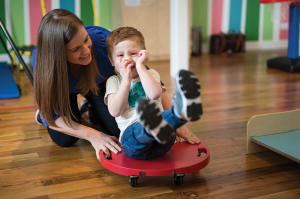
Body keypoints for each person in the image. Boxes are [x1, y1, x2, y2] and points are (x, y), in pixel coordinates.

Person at [33, 9, 200, 162]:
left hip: (97, 81)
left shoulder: (101, 42)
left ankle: (89, 109)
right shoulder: (45, 65)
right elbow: (60, 122)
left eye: (85, 39)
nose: (86, 51)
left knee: (116, 130)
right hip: (64, 89)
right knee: (65, 140)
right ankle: (45, 112)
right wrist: (93, 136)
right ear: (58, 54)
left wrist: (175, 123)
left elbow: (146, 80)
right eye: (75, 49)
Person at [104, 27, 203, 159]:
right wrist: (126, 80)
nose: (128, 59)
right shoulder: (114, 81)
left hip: (162, 144)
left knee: (165, 118)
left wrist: (140, 66)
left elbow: (155, 94)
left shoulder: (151, 74)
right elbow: (115, 111)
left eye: (133, 53)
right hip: (133, 142)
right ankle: (155, 126)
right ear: (111, 60)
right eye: (120, 55)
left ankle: (181, 111)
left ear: (143, 54)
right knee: (141, 129)